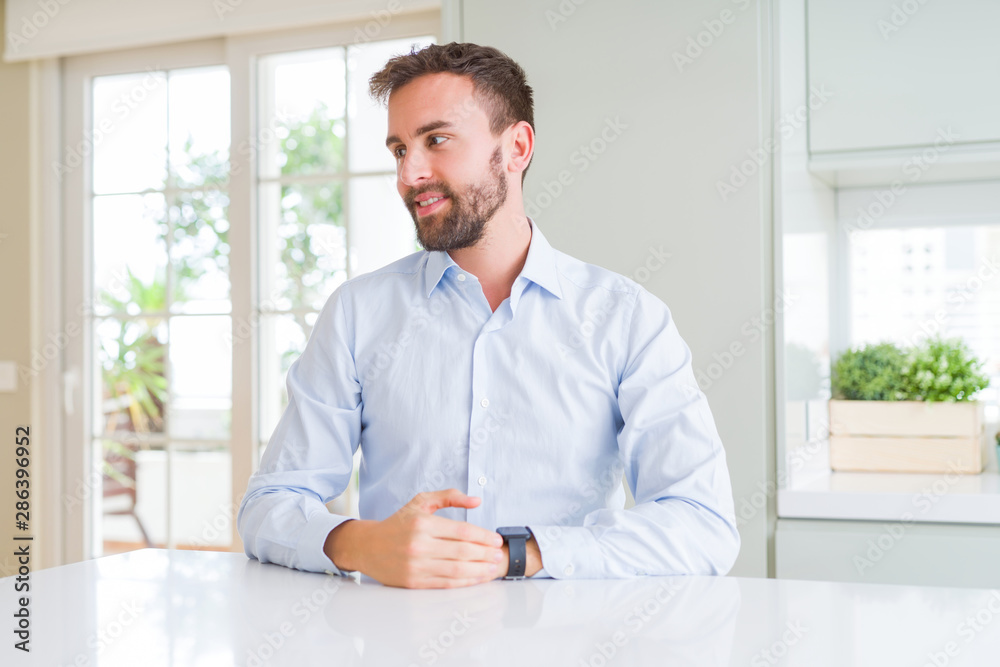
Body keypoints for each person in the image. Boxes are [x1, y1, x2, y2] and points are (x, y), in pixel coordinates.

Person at [237, 42, 740, 589]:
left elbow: (703, 523)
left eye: (436, 140)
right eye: (399, 149)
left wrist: (516, 554)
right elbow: (269, 505)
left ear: (516, 146)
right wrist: (363, 544)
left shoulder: (627, 319)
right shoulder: (358, 313)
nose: (409, 174)